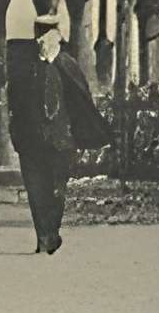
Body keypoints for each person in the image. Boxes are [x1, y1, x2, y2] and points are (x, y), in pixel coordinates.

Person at [7, 22, 101, 254]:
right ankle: (43, 237)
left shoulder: (68, 65)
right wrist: (18, 134)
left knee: (57, 189)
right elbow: (14, 103)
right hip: (31, 141)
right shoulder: (24, 68)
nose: (41, 43)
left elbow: (82, 101)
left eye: (46, 37)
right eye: (38, 37)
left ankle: (52, 231)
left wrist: (79, 136)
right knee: (35, 190)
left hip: (61, 140)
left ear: (57, 37)